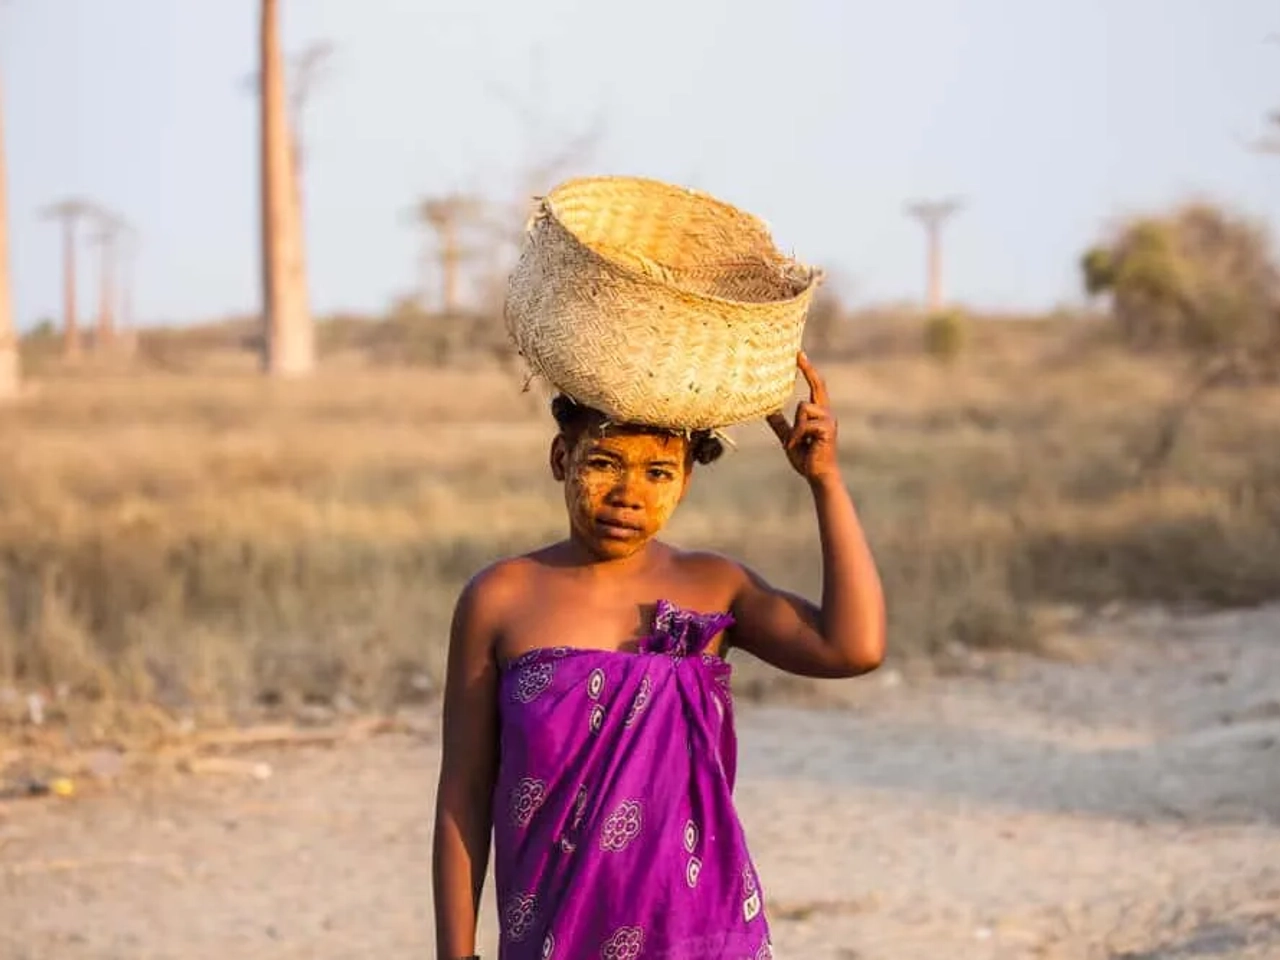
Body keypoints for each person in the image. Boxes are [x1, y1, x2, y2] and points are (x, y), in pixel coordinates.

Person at [432, 351, 886, 959]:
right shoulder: (501, 597)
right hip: (554, 934)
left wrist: (824, 480)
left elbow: (853, 648)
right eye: (604, 463)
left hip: (698, 934)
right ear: (562, 458)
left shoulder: (713, 586)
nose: (629, 494)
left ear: (687, 481)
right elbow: (463, 794)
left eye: (658, 472)